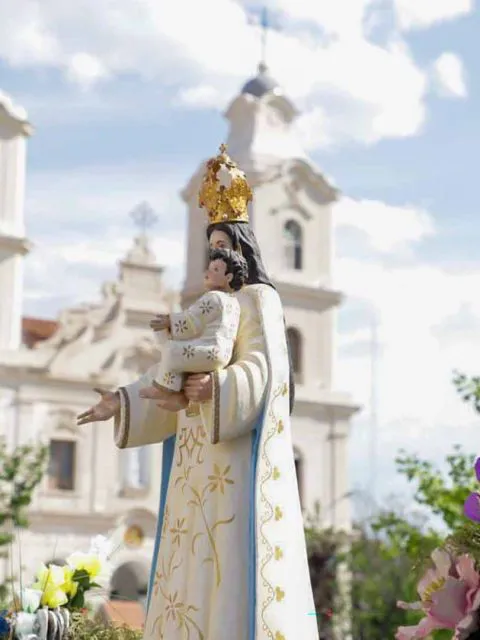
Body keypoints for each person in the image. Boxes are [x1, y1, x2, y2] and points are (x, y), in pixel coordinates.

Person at [77, 144, 318, 640]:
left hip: (231, 459)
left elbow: (268, 372)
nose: (215, 256)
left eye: (223, 245)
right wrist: (121, 400)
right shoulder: (206, 306)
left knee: (224, 568)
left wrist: (218, 386)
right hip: (194, 459)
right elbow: (168, 372)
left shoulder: (259, 300)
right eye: (210, 248)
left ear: (241, 251)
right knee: (187, 569)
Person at [138, 248, 247, 411]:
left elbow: (191, 321)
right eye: (209, 268)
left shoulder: (213, 297)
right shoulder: (233, 302)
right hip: (222, 353)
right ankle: (179, 398)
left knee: (171, 350)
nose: (207, 273)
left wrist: (170, 321)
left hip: (210, 350)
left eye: (215, 270)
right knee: (183, 360)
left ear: (228, 277)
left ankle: (164, 390)